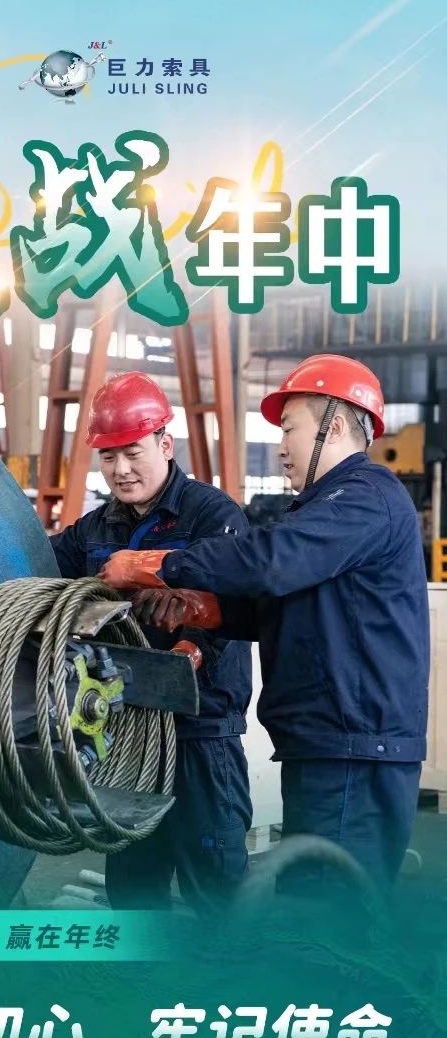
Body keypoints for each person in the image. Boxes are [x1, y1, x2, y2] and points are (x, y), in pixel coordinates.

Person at [101, 355, 430, 886]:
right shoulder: (328, 508)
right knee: (314, 900)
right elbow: (294, 606)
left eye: (290, 429)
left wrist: (158, 564)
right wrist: (208, 610)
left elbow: (273, 560)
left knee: (329, 907)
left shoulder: (365, 498)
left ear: (334, 427)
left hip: (355, 747)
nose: (280, 447)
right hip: (327, 744)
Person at [50, 371, 253, 912]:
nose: (120, 469)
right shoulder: (95, 529)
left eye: (132, 452)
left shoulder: (213, 516)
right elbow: (34, 564)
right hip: (129, 735)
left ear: (166, 444)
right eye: (108, 456)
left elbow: (234, 603)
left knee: (216, 886)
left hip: (201, 733)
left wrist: (188, 650)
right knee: (134, 885)